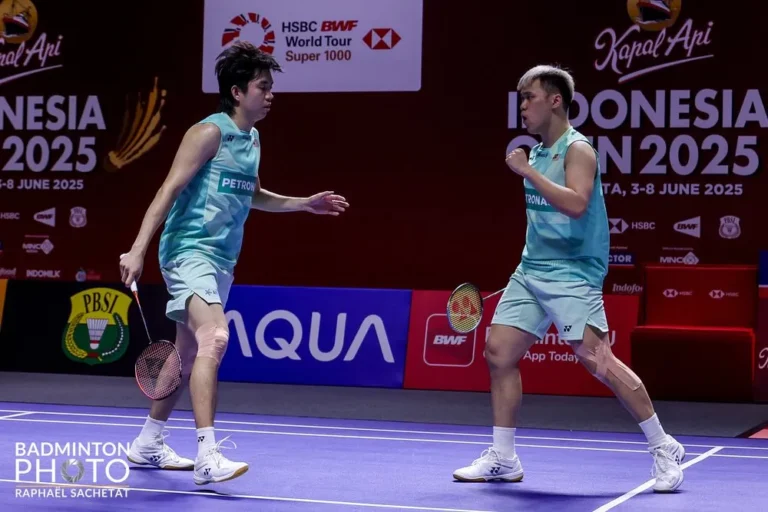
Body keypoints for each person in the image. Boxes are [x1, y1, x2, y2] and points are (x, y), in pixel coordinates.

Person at [118, 41, 349, 485]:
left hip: (222, 261)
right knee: (216, 336)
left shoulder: (252, 139)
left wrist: (305, 203)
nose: (271, 94)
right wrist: (138, 248)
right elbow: (168, 190)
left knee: (187, 355)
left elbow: (254, 195)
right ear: (237, 92)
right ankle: (207, 454)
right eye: (263, 86)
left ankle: (148, 442)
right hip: (188, 251)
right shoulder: (208, 133)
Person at [451, 65, 685, 492]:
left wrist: (527, 173)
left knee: (599, 361)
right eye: (521, 98)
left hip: (574, 273)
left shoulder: (578, 150)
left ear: (555, 100)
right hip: (531, 271)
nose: (522, 106)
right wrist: (531, 171)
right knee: (498, 353)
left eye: (530, 97)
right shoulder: (537, 153)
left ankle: (663, 446)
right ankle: (504, 457)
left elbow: (576, 204)